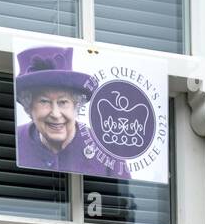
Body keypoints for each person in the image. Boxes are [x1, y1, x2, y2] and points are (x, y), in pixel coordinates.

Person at [14, 45, 129, 180]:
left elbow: (124, 199)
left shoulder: (107, 150)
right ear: (29, 107)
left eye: (63, 102)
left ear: (76, 104)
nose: (56, 114)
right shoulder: (14, 142)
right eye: (44, 101)